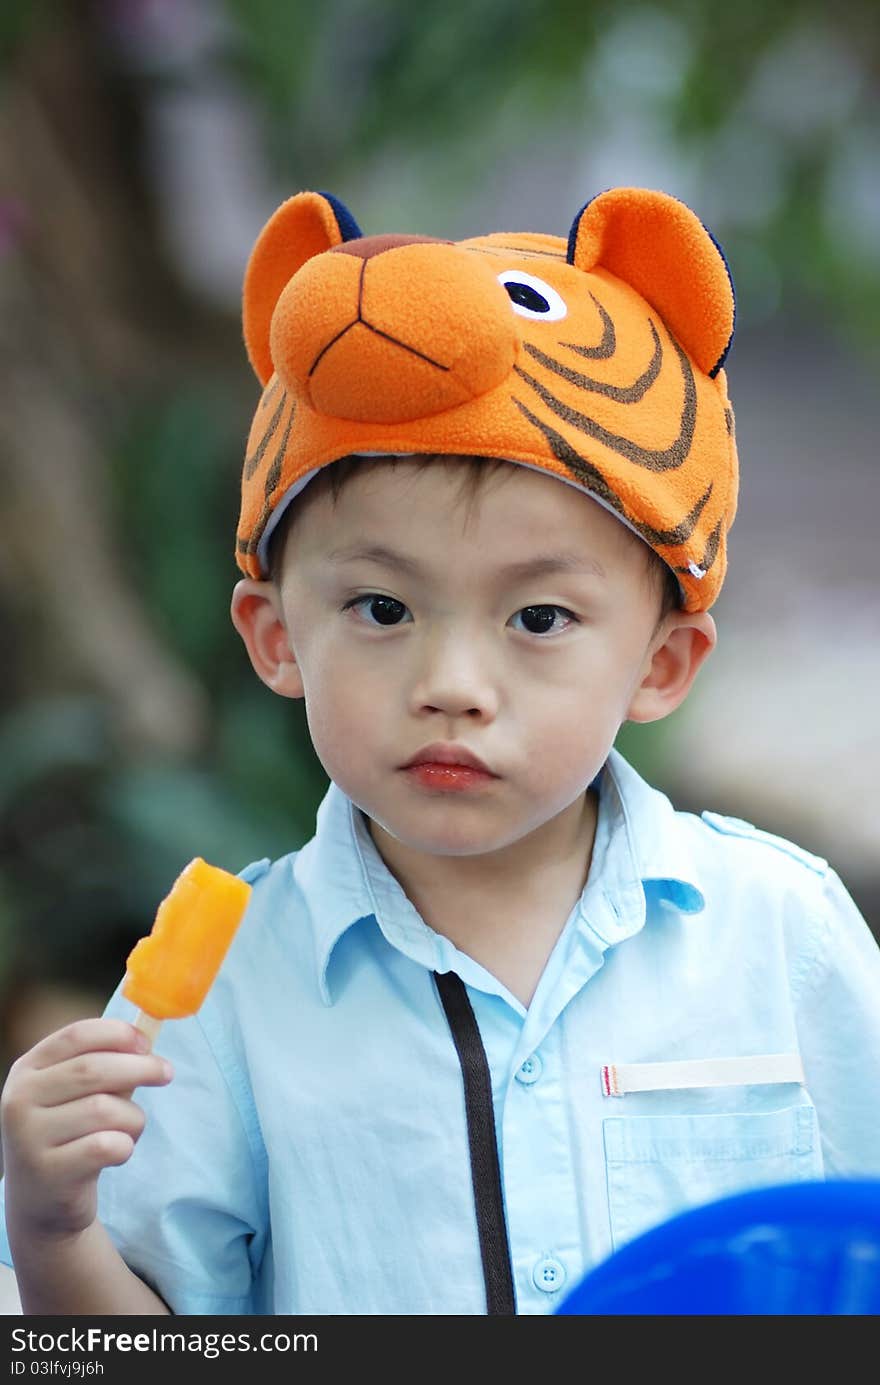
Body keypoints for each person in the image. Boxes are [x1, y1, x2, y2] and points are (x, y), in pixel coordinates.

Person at [1, 186, 879, 1316]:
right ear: (277, 637)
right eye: (379, 607)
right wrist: (53, 1223)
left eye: (539, 618)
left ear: (662, 663)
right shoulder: (213, 1000)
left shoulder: (781, 930)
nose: (451, 686)